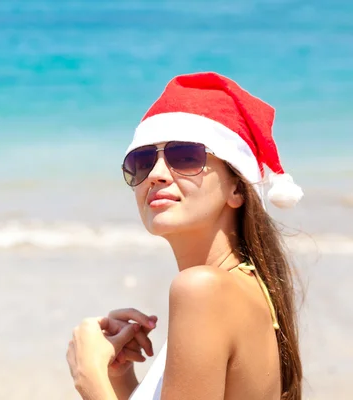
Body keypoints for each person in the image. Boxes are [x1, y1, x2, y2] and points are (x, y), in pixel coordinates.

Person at [66, 72, 304, 400]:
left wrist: (88, 376)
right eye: (142, 161)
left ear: (237, 188)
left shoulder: (201, 290)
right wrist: (119, 381)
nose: (156, 175)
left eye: (186, 157)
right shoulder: (244, 290)